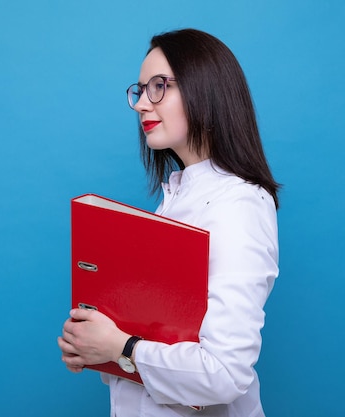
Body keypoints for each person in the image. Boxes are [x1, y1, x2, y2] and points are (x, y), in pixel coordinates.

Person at [58, 28, 280, 417]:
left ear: (205, 89)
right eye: (140, 90)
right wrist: (95, 348)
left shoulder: (240, 205)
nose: (142, 103)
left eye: (159, 86)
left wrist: (120, 348)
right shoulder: (176, 198)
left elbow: (225, 375)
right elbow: (160, 339)